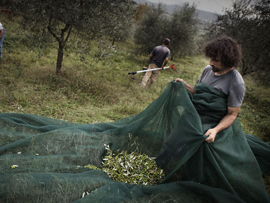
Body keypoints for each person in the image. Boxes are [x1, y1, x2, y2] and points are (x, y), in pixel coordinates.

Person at [174, 36, 245, 143]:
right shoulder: (208, 70)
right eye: (211, 58)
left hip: (213, 125)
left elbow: (231, 115)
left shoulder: (236, 82)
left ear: (228, 60)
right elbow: (198, 92)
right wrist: (184, 85)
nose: (211, 63)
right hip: (195, 117)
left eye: (216, 60)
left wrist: (215, 130)